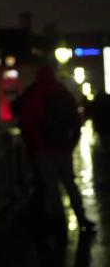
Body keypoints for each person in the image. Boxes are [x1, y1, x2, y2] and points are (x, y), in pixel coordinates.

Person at [14, 64, 96, 232]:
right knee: (70, 184)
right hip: (63, 148)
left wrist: (34, 146)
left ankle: (59, 225)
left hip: (43, 150)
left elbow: (27, 122)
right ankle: (82, 219)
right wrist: (71, 143)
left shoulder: (35, 95)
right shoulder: (63, 93)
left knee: (51, 188)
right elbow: (76, 119)